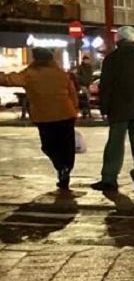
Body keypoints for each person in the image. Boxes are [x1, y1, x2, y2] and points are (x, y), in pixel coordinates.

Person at [93, 26, 134, 194]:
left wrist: (104, 107)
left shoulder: (112, 59)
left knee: (115, 145)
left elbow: (106, 85)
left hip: (119, 108)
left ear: (119, 40)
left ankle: (109, 178)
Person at [0, 47, 79, 189]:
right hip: (66, 114)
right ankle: (66, 169)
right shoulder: (61, 73)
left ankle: (61, 167)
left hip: (44, 116)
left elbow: (8, 80)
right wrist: (74, 110)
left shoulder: (30, 74)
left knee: (48, 146)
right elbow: (72, 93)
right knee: (67, 146)